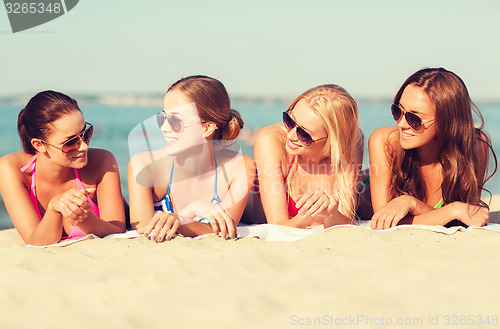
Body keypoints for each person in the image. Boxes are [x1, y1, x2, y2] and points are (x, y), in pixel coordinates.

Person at [128, 75, 255, 241]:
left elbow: (226, 230)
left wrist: (180, 220)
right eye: (163, 118)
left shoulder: (240, 167)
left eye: (175, 120)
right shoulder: (144, 165)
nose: (164, 128)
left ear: (207, 127)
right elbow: (142, 230)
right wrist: (190, 211)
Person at [369, 67, 497, 229]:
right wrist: (453, 210)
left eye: (414, 119)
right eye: (398, 111)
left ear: (447, 122)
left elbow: (467, 218)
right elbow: (382, 222)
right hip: (360, 191)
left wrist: (413, 204)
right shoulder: (384, 142)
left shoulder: (475, 145)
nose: (401, 124)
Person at [0, 91, 126, 246]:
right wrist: (55, 208)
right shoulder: (11, 169)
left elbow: (118, 231)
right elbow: (35, 241)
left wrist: (85, 219)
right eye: (71, 142)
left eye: (85, 134)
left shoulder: (102, 162)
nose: (84, 146)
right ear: (39, 145)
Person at [251, 84, 365, 228]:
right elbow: (277, 226)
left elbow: (346, 222)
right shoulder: (270, 140)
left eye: (304, 134)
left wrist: (331, 213)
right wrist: (317, 215)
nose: (291, 135)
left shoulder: (351, 143)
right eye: (289, 121)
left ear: (333, 141)